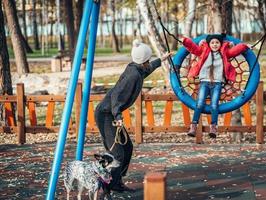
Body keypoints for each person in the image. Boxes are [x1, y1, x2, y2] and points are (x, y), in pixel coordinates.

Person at [94, 39, 171, 192]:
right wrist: (118, 117)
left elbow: (147, 69)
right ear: (145, 60)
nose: (149, 63)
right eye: (149, 60)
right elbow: (116, 95)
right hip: (106, 115)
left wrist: (161, 60)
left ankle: (116, 181)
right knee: (117, 154)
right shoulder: (133, 75)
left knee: (127, 148)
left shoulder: (136, 68)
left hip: (111, 113)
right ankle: (107, 186)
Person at [182, 34, 251, 138]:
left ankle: (213, 127)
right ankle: (193, 125)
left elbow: (235, 51)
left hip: (217, 83)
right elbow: (193, 47)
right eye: (212, 43)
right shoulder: (203, 51)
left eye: (217, 42)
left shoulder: (224, 53)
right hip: (204, 82)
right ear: (209, 44)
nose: (215, 45)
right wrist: (185, 41)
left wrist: (245, 46)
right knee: (199, 104)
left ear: (220, 43)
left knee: (214, 105)